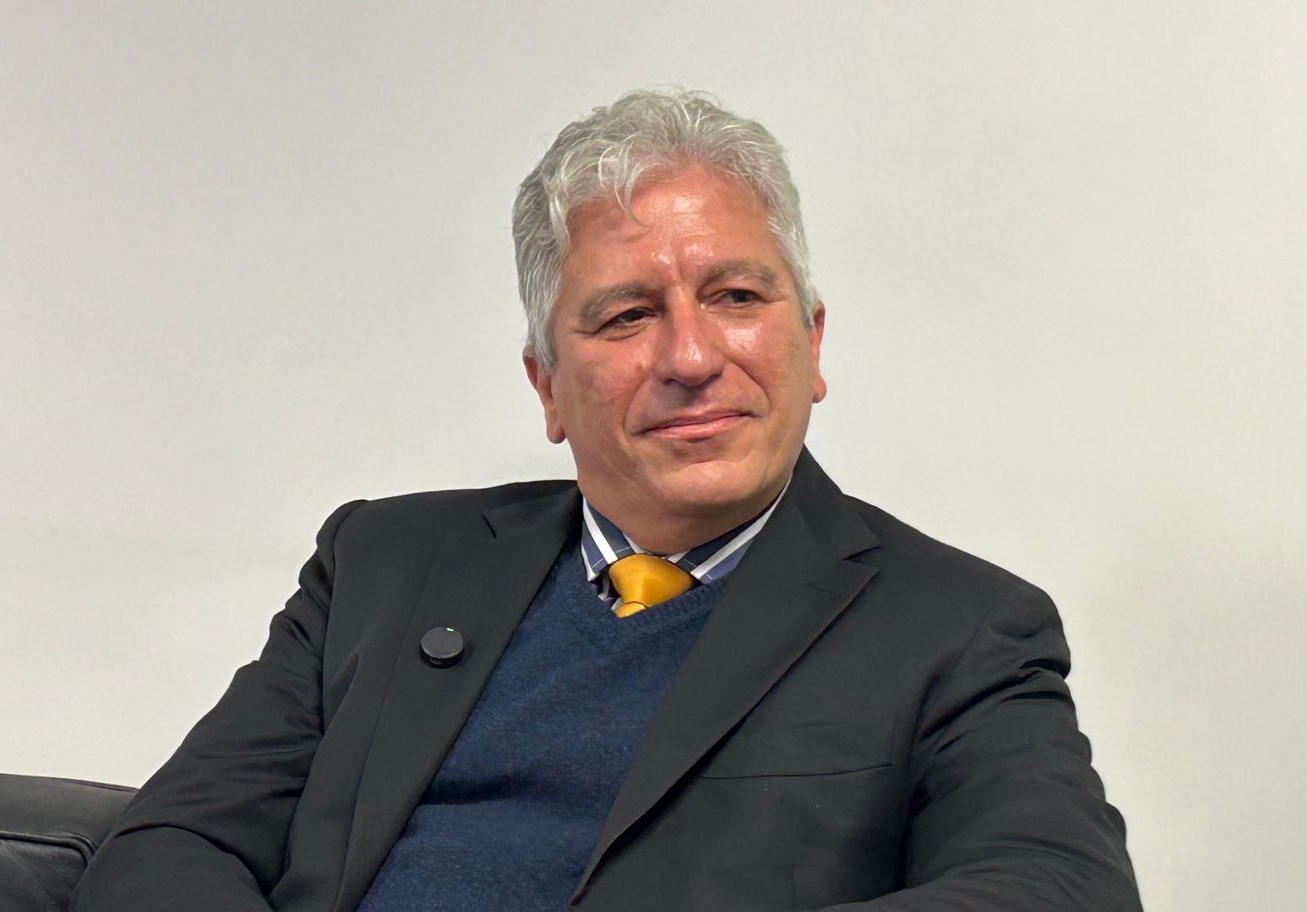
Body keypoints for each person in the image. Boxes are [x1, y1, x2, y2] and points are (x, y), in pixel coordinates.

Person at [74, 90, 1142, 911]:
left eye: (735, 296)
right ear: (546, 384)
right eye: (627, 315)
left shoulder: (957, 628)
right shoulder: (382, 561)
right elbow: (174, 842)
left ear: (811, 344)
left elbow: (1056, 887)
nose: (691, 357)